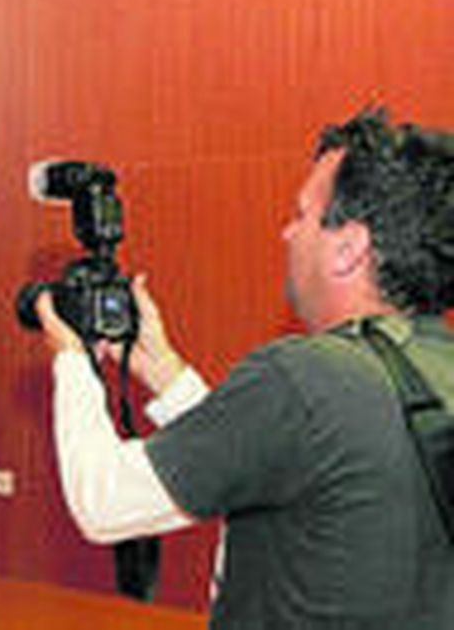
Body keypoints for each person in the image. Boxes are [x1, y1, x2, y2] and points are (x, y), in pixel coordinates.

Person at [34, 108, 454, 628]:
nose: (286, 233)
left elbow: (104, 500)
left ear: (348, 248)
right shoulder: (432, 367)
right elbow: (267, 452)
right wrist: (163, 368)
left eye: (301, 215)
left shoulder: (304, 376)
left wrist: (70, 359)